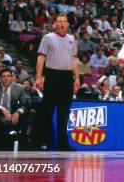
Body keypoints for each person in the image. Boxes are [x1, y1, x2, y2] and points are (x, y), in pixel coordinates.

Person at [35, 13, 80, 151]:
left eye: (64, 21)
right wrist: (38, 77)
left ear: (67, 24)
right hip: (52, 76)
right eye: (59, 21)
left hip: (67, 77)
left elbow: (73, 60)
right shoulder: (48, 37)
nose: (62, 23)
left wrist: (77, 77)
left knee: (64, 112)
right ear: (55, 23)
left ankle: (63, 144)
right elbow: (41, 58)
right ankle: (43, 141)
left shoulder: (72, 39)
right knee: (47, 111)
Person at [0, 69, 33, 149]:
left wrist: (18, 112)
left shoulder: (20, 88)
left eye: (8, 76)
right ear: (0, 78)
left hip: (14, 115)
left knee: (31, 112)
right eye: (3, 76)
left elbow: (26, 104)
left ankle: (26, 140)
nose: (6, 78)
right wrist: (1, 108)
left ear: (12, 77)